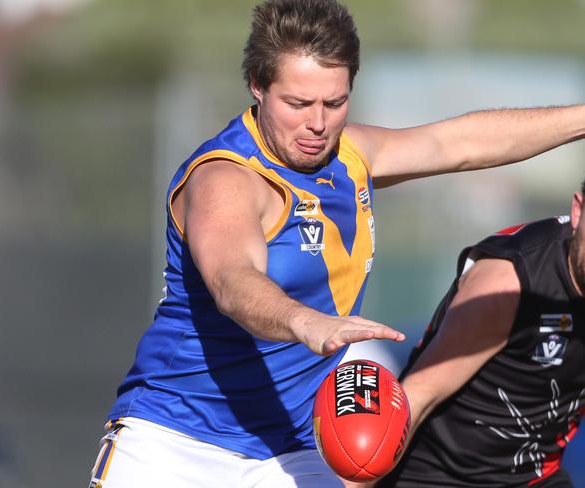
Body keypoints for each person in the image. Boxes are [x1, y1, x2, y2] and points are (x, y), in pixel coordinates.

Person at [88, 1, 585, 486]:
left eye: (335, 102)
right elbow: (232, 281)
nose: (318, 124)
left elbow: (460, 144)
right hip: (177, 441)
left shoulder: (351, 155)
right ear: (258, 87)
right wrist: (306, 322)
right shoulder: (227, 178)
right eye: (298, 104)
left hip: (293, 444)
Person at [375, 181, 585, 487]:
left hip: (536, 477)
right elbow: (418, 395)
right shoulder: (509, 283)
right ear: (577, 212)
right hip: (435, 475)